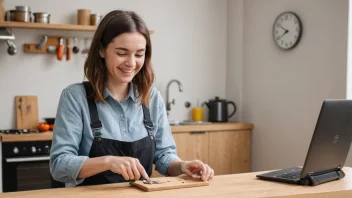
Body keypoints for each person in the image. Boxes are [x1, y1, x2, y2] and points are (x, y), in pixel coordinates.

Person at [49, 10, 214, 187]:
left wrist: (182, 166)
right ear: (102, 50)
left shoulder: (152, 97)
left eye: (139, 54)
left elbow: (163, 155)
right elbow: (59, 165)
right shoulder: (75, 97)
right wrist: (108, 162)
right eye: (122, 53)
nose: (131, 63)